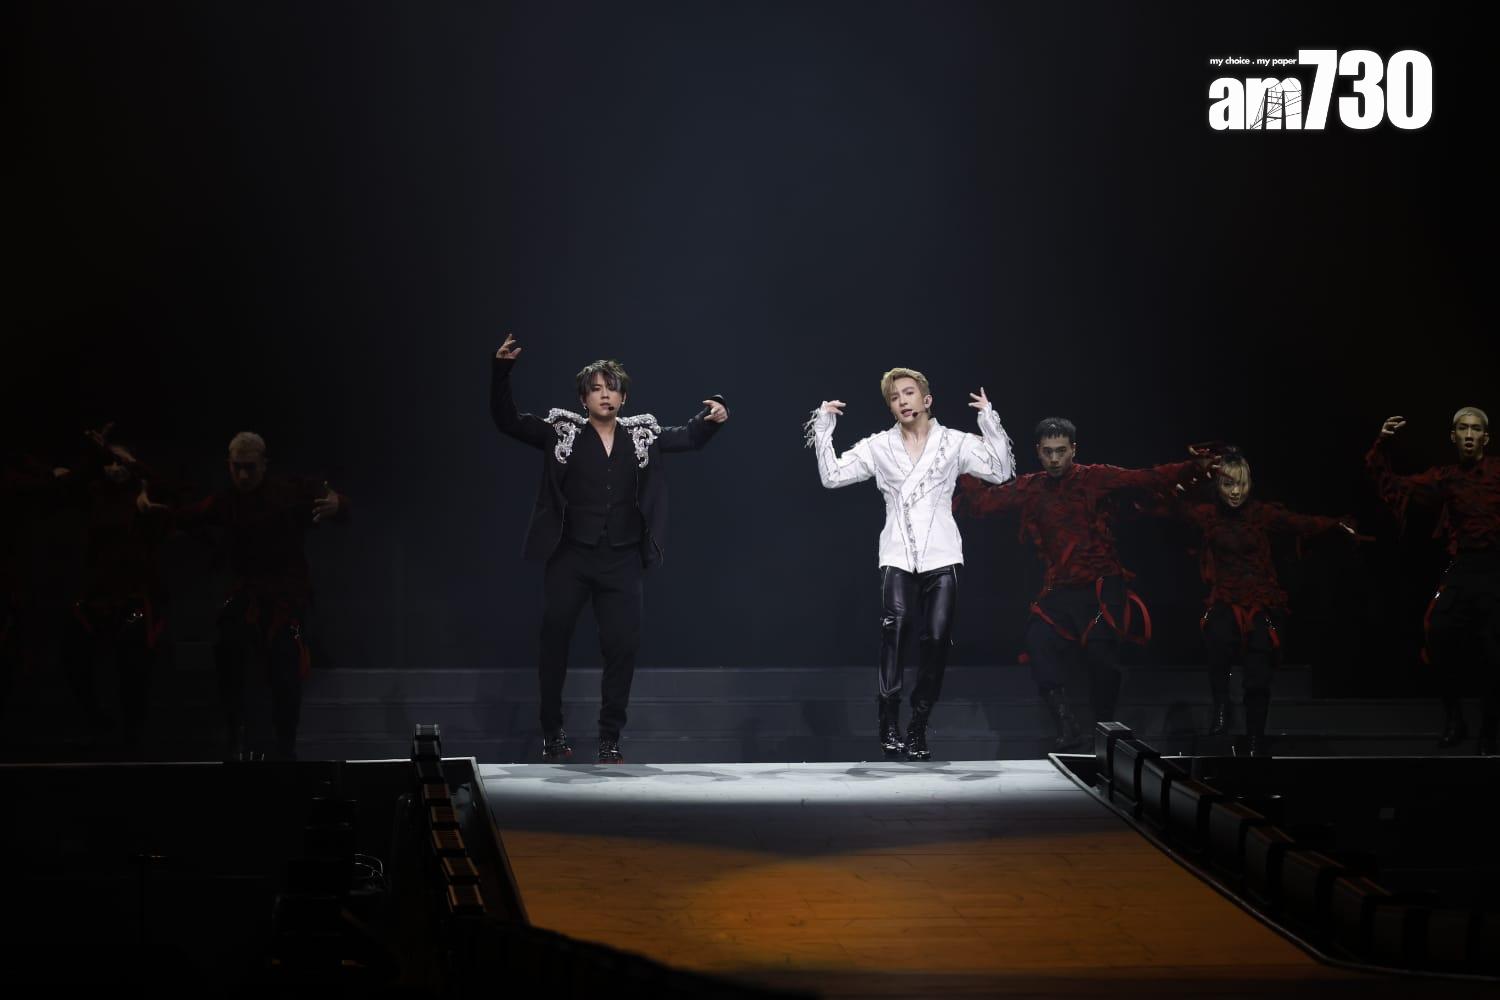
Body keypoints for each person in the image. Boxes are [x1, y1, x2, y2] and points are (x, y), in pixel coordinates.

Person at [490, 334, 728, 764]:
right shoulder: (562, 431)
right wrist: (501, 372)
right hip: (570, 555)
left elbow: (686, 438)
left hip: (621, 559)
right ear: (583, 398)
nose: (605, 395)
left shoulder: (641, 436)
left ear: (624, 397)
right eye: (597, 389)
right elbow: (508, 421)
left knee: (622, 647)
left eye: (612, 388)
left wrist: (711, 418)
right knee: (554, 641)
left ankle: (609, 738)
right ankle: (552, 732)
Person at [806, 367, 1014, 760]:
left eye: (908, 393)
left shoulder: (954, 442)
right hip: (897, 554)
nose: (902, 401)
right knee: (895, 634)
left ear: (926, 399)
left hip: (943, 554)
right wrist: (823, 428)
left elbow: (1001, 472)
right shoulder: (879, 446)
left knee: (935, 641)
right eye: (894, 397)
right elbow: (832, 477)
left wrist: (989, 421)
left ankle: (918, 724)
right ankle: (888, 721)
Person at [958, 418, 1197, 749]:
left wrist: (1194, 468)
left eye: (1061, 451)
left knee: (1101, 655)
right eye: (1048, 452)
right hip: (1061, 589)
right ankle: (1067, 726)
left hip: (1102, 586)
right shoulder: (1031, 487)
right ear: (1038, 452)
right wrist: (964, 463)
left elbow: (1144, 478)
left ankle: (1103, 727)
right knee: (1037, 640)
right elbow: (983, 503)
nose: (1054, 459)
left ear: (1073, 450)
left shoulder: (1095, 477)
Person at [157, 431, 349, 759]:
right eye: (237, 468)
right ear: (229, 466)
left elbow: (327, 495)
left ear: (263, 465)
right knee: (227, 651)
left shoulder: (287, 492)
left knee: (285, 672)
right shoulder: (226, 501)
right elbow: (186, 514)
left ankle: (284, 747)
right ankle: (236, 733)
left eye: (250, 467)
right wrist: (150, 504)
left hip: (286, 599)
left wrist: (336, 501)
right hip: (247, 598)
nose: (244, 475)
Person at [1166, 446, 1359, 755]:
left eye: (1241, 484)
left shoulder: (1261, 514)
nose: (1235, 492)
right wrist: (1183, 482)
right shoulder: (1209, 515)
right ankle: (1221, 708)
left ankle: (1255, 736)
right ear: (1219, 485)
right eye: (1229, 484)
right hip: (1226, 598)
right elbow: (1178, 509)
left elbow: (1298, 523)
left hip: (1260, 599)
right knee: (1217, 643)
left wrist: (1334, 524)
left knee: (1258, 673)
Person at [1367, 407, 1499, 755]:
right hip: (1463, 567)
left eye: (1475, 429)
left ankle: (1489, 729)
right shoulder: (1446, 476)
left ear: (1485, 437)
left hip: (1496, 568)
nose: (1469, 434)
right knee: (1437, 635)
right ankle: (1455, 719)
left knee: (1494, 653)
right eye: (1462, 429)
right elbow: (1394, 485)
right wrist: (1383, 444)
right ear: (1453, 437)